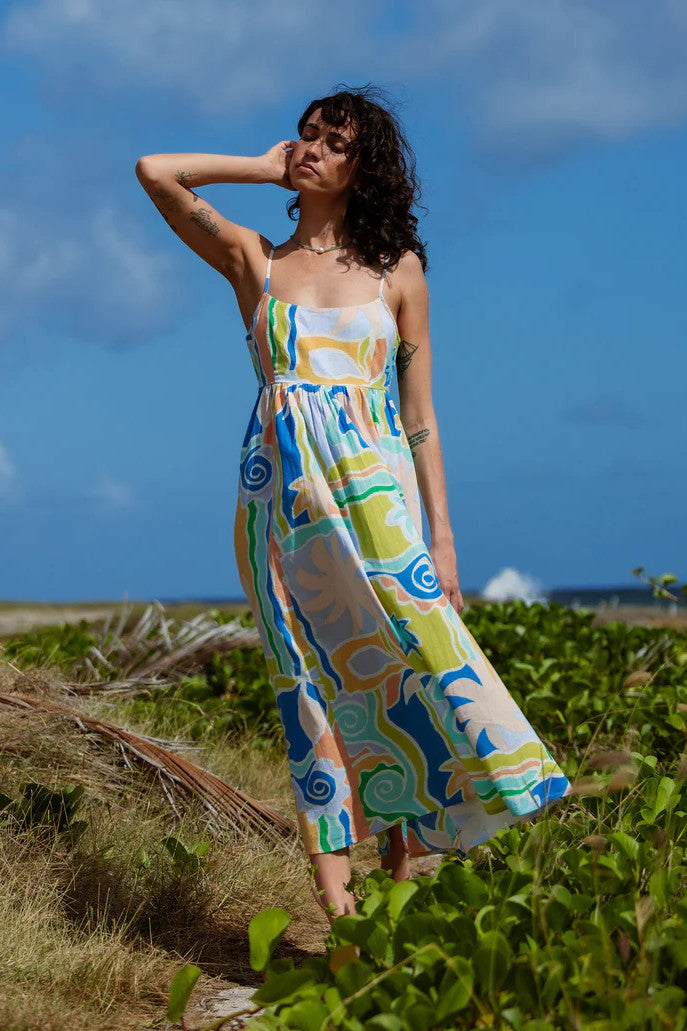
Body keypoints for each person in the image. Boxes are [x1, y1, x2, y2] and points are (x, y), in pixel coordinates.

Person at [135, 85, 572, 926]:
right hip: (282, 505)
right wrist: (259, 170)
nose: (311, 149)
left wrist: (442, 538)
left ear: (363, 166)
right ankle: (338, 910)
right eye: (303, 137)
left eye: (332, 142)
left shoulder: (397, 271)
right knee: (307, 686)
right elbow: (156, 173)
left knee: (409, 672)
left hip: (381, 504)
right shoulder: (253, 260)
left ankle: (403, 889)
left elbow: (420, 419)